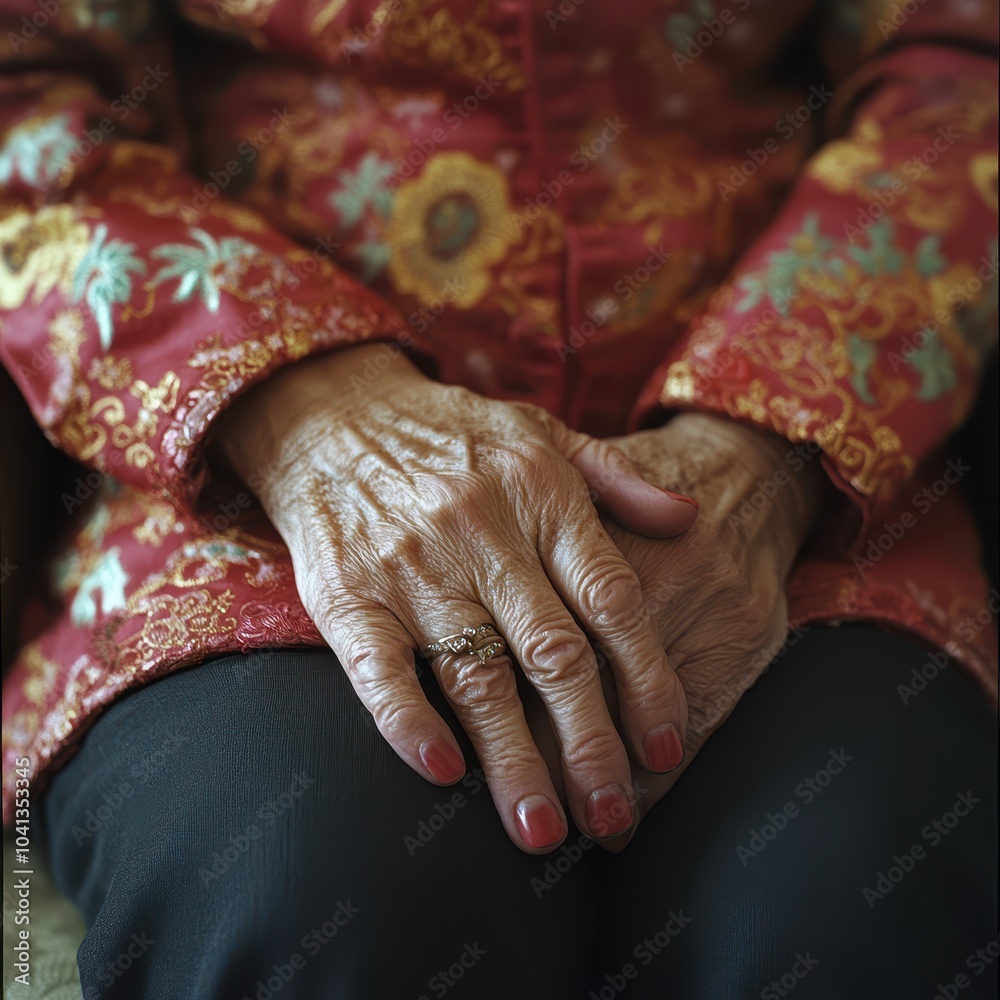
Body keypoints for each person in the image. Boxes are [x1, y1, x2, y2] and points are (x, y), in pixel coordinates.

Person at [1, 1, 996, 997]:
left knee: (840, 901)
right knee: (311, 889)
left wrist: (768, 446)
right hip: (251, 477)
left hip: (800, 468)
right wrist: (311, 420)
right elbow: (21, 83)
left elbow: (958, 64)